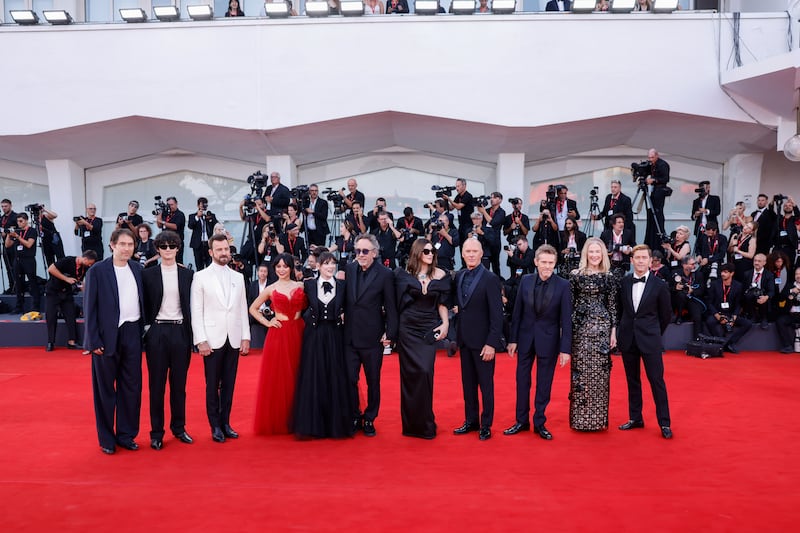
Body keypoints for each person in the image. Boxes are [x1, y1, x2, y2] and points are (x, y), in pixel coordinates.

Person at [83, 228, 145, 455]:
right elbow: (89, 307)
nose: (127, 248)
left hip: (132, 333)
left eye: (131, 244)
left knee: (131, 387)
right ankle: (107, 439)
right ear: (112, 245)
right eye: (123, 244)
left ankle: (126, 435)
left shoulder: (138, 269)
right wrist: (92, 341)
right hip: (106, 336)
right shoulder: (98, 271)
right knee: (105, 390)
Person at [505, 244, 572, 440]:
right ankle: (521, 421)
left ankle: (539, 422)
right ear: (535, 262)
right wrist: (513, 339)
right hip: (525, 339)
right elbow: (517, 313)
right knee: (522, 381)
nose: (547, 267)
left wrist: (565, 349)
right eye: (543, 262)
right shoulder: (525, 281)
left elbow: (566, 320)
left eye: (551, 263)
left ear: (555, 263)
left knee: (544, 383)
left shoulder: (563, 285)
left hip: (549, 342)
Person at [191, 234, 251, 443]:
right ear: (211, 252)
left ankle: (226, 422)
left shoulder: (238, 277)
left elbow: (242, 308)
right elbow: (196, 311)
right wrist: (201, 340)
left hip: (233, 338)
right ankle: (214, 425)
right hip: (212, 339)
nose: (224, 253)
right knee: (212, 385)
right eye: (219, 250)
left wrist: (245, 337)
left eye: (226, 249)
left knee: (229, 384)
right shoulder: (200, 277)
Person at [142, 230, 195, 451]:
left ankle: (179, 428)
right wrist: (148, 330)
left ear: (178, 248)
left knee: (179, 385)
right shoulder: (148, 274)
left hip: (180, 331)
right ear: (157, 249)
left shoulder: (188, 275)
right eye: (163, 246)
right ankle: (156, 432)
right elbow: (143, 304)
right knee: (157, 385)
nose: (167, 250)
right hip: (157, 331)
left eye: (171, 246)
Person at [291, 252, 353, 438]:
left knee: (335, 376)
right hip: (314, 336)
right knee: (314, 376)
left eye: (333, 263)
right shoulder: (308, 284)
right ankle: (313, 424)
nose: (330, 267)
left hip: (335, 336)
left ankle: (335, 424)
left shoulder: (343, 286)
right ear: (318, 265)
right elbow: (298, 306)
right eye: (326, 263)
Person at [343, 233, 398, 437]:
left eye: (365, 251)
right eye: (357, 251)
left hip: (373, 338)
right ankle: (354, 414)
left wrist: (390, 333)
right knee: (349, 378)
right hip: (349, 336)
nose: (361, 254)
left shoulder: (385, 274)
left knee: (373, 381)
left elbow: (391, 306)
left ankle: (370, 417)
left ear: (374, 253)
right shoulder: (349, 269)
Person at [394, 240, 450, 439]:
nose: (430, 253)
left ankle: (426, 423)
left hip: (428, 328)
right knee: (410, 376)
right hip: (408, 329)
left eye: (432, 250)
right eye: (426, 250)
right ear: (417, 252)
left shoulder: (441, 275)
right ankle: (411, 426)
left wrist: (445, 324)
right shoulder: (403, 275)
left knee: (425, 372)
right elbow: (396, 304)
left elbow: (442, 303)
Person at [617, 244, 673, 440]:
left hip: (650, 340)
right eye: (637, 257)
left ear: (651, 262)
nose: (640, 261)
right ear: (631, 260)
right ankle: (635, 418)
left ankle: (664, 422)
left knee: (657, 381)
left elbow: (666, 315)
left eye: (644, 258)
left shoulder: (660, 285)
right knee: (632, 381)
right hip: (628, 339)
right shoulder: (623, 282)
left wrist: (655, 333)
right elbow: (620, 310)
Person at [248, 254, 307, 435]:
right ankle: (282, 420)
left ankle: (300, 417)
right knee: (281, 377)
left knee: (300, 374)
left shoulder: (301, 286)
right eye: (278, 267)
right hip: (279, 334)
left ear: (291, 268)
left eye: (285, 266)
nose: (282, 270)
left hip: (300, 332)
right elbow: (253, 308)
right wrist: (267, 322)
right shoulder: (270, 289)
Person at [452, 238, 503, 441]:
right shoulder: (460, 275)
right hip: (465, 341)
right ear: (462, 254)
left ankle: (486, 424)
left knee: (486, 385)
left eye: (475, 251)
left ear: (482, 254)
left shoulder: (490, 278)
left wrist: (491, 343)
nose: (471, 254)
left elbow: (497, 314)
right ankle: (471, 420)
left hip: (484, 344)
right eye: (468, 251)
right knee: (468, 385)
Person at [568, 238, 617, 432]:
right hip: (580, 328)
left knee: (600, 375)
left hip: (603, 329)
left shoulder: (609, 276)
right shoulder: (575, 275)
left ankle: (597, 419)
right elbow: (570, 304)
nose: (594, 255)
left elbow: (612, 306)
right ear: (585, 253)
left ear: (603, 254)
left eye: (598, 252)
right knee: (580, 374)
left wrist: (614, 331)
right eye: (591, 251)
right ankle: (580, 420)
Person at [44, 250, 97, 351]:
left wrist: (84, 290)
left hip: (67, 292)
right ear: (85, 259)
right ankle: (51, 342)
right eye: (89, 263)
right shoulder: (67, 260)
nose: (90, 265)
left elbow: (81, 281)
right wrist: (66, 279)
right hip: (53, 291)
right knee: (51, 316)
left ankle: (72, 341)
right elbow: (51, 269)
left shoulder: (84, 268)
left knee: (71, 315)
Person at [706, 263, 752, 354]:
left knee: (748, 323)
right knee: (709, 321)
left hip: (731, 313)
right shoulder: (715, 284)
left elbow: (739, 303)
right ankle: (720, 342)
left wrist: (734, 316)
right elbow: (709, 302)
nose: (722, 274)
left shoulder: (738, 286)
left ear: (732, 273)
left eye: (725, 272)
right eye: (722, 272)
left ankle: (730, 343)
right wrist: (717, 316)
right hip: (718, 312)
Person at [6, 212, 42, 314]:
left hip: (28, 259)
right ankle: (19, 306)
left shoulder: (32, 231)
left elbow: (29, 244)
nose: (19, 223)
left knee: (32, 282)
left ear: (26, 221)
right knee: (18, 283)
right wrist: (9, 235)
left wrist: (18, 237)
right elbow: (7, 245)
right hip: (17, 260)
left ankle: (36, 306)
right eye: (17, 221)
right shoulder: (17, 231)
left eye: (21, 221)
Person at [669, 256, 707, 339]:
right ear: (684, 265)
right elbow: (668, 288)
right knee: (680, 295)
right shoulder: (675, 273)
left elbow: (702, 290)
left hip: (692, 299)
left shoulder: (699, 275)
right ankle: (679, 316)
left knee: (697, 317)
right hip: (679, 300)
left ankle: (697, 340)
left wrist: (692, 291)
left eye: (695, 264)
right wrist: (676, 288)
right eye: (692, 264)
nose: (694, 266)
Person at [441, 178, 474, 265]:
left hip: (469, 225)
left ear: (464, 186)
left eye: (458, 186)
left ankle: (468, 265)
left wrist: (449, 199)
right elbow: (451, 208)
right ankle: (464, 265)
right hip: (461, 225)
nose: (457, 188)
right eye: (456, 186)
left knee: (467, 246)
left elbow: (459, 206)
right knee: (461, 246)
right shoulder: (458, 196)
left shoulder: (468, 196)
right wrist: (445, 200)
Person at [643, 149, 670, 251]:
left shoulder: (663, 165)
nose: (651, 160)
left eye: (652, 157)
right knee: (651, 212)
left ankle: (659, 235)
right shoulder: (651, 164)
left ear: (657, 156)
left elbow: (665, 179)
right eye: (649, 158)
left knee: (657, 212)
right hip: (653, 191)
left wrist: (653, 180)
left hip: (659, 191)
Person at [742, 253, 775, 329]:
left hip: (763, 296)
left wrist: (766, 297)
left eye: (759, 261)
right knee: (748, 295)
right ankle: (752, 316)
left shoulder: (769, 275)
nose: (756, 263)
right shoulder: (747, 274)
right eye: (755, 261)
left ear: (764, 263)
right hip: (750, 297)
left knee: (763, 297)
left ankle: (764, 318)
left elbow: (772, 291)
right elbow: (744, 289)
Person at [476, 192, 506, 276]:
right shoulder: (487, 210)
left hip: (495, 241)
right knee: (484, 264)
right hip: (485, 239)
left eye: (494, 198)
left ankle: (498, 283)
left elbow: (492, 222)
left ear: (500, 200)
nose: (492, 199)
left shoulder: (501, 212)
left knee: (495, 265)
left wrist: (484, 212)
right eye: (491, 198)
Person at [187, 197, 218, 271]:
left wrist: (209, 219)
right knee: (199, 265)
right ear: (198, 206)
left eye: (205, 205)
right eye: (202, 205)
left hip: (208, 243)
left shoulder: (211, 215)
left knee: (209, 264)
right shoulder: (192, 216)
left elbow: (216, 225)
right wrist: (197, 216)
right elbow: (190, 226)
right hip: (198, 244)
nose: (204, 207)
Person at [600, 213, 635, 277]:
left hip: (622, 263)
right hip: (610, 262)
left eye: (622, 222)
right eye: (619, 222)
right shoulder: (605, 234)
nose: (621, 224)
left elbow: (634, 245)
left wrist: (629, 249)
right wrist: (606, 251)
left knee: (620, 281)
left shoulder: (628, 233)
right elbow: (600, 246)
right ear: (613, 224)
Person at [775, 267, 800, 353]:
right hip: (791, 314)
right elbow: (781, 297)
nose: (798, 276)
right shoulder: (790, 285)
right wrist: (791, 291)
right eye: (797, 274)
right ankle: (787, 345)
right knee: (780, 321)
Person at [156, 197, 186, 265]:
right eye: (168, 205)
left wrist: (163, 222)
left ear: (176, 204)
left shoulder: (180, 214)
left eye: (172, 204)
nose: (170, 206)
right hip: (165, 242)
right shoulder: (166, 214)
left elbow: (175, 226)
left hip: (176, 243)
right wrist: (159, 214)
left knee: (177, 261)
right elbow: (159, 225)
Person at [1, 198, 19, 293]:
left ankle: (19, 286)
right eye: (2, 206)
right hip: (5, 245)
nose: (4, 208)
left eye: (5, 206)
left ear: (10, 206)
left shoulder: (15, 217)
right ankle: (11, 286)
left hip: (15, 245)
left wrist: (7, 232)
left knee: (16, 267)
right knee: (8, 267)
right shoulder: (2, 218)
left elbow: (19, 230)